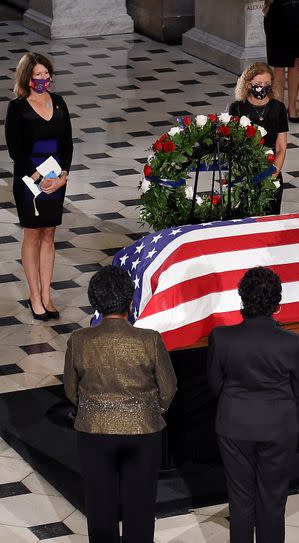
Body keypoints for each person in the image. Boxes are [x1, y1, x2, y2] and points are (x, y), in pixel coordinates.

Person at [63, 265, 177, 543]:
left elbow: (70, 390)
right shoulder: (149, 339)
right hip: (144, 433)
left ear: (96, 303)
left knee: (100, 507)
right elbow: (169, 389)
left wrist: (91, 409)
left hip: (93, 433)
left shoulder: (79, 340)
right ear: (130, 300)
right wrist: (149, 410)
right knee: (140, 509)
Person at [208, 266, 299, 543]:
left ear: (242, 298)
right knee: (273, 501)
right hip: (279, 428)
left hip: (233, 426)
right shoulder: (293, 342)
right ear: (277, 303)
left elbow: (215, 386)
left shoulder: (221, 338)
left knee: (240, 502)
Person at [5, 52, 73, 321]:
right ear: (27, 78)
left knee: (49, 235)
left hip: (56, 179)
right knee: (33, 234)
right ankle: (34, 296)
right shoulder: (17, 107)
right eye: (38, 75)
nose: (43, 79)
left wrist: (63, 177)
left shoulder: (59, 103)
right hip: (28, 180)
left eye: (46, 74)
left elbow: (67, 143)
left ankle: (47, 295)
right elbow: (15, 151)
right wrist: (37, 177)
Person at [229, 62, 289, 215]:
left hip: (271, 170)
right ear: (249, 84)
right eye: (259, 84)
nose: (263, 87)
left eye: (267, 83)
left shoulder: (278, 108)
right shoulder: (237, 108)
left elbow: (281, 148)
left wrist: (271, 176)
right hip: (244, 174)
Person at [263, 0, 299, 122]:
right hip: (276, 12)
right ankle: (279, 107)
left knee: (295, 62)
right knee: (279, 64)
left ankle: (292, 107)